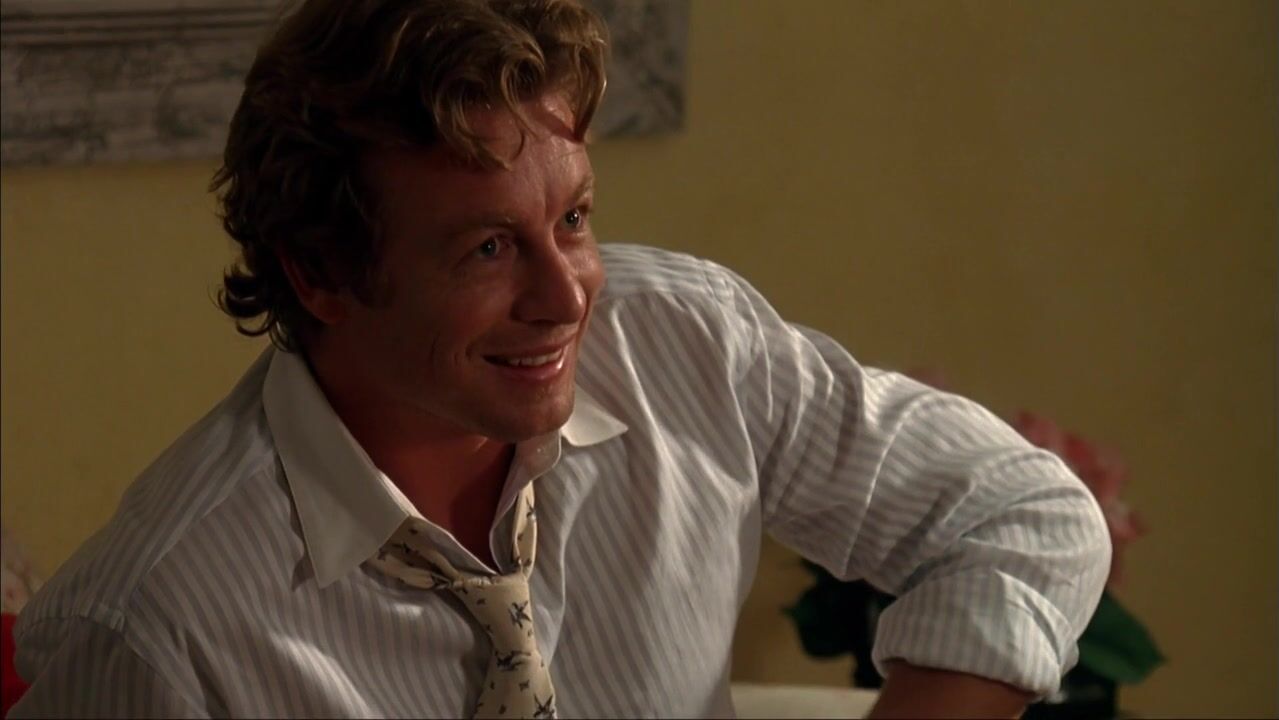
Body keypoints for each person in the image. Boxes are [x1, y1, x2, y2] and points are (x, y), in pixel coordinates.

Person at [9, 0, 1111, 717]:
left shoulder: (686, 343)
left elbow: (1022, 514)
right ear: (321, 274)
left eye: (572, 219)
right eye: (488, 248)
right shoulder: (153, 632)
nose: (566, 295)